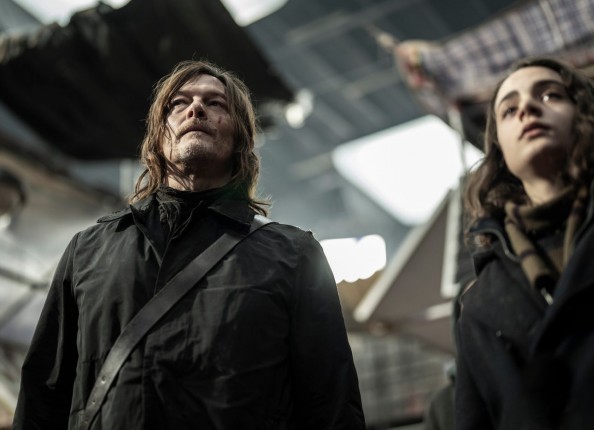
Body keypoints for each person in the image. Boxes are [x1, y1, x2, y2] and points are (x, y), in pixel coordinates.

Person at [13, 60, 366, 429]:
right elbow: (43, 396)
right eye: (178, 103)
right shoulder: (88, 251)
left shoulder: (293, 254)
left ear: (241, 139)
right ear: (157, 135)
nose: (196, 108)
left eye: (215, 103)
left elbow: (331, 403)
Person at [456, 56, 594, 430]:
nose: (527, 108)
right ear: (499, 148)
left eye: (550, 95)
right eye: (509, 110)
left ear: (585, 114)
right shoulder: (477, 304)